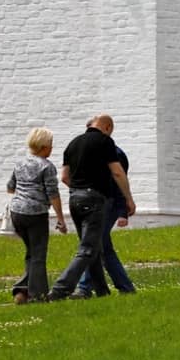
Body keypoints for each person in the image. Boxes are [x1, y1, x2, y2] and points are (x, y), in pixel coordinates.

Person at [48, 112, 136, 300]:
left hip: (74, 199)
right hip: (95, 198)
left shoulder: (73, 143)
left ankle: (101, 292)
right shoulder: (105, 142)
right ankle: (60, 289)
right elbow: (118, 173)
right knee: (88, 249)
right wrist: (128, 198)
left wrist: (78, 189)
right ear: (107, 127)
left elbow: (64, 177)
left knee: (94, 247)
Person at [74, 116, 136, 296]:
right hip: (96, 202)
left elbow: (119, 181)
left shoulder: (115, 153)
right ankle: (124, 287)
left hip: (108, 204)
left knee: (95, 243)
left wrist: (124, 209)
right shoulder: (91, 152)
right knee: (102, 246)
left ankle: (85, 287)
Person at [6, 126, 68, 303]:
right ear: (43, 147)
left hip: (17, 212)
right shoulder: (47, 167)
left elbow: (10, 187)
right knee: (39, 255)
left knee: (31, 253)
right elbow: (53, 194)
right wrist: (61, 219)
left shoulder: (20, 163)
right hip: (36, 214)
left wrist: (23, 196)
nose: (52, 148)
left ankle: (22, 291)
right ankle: (38, 295)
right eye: (50, 145)